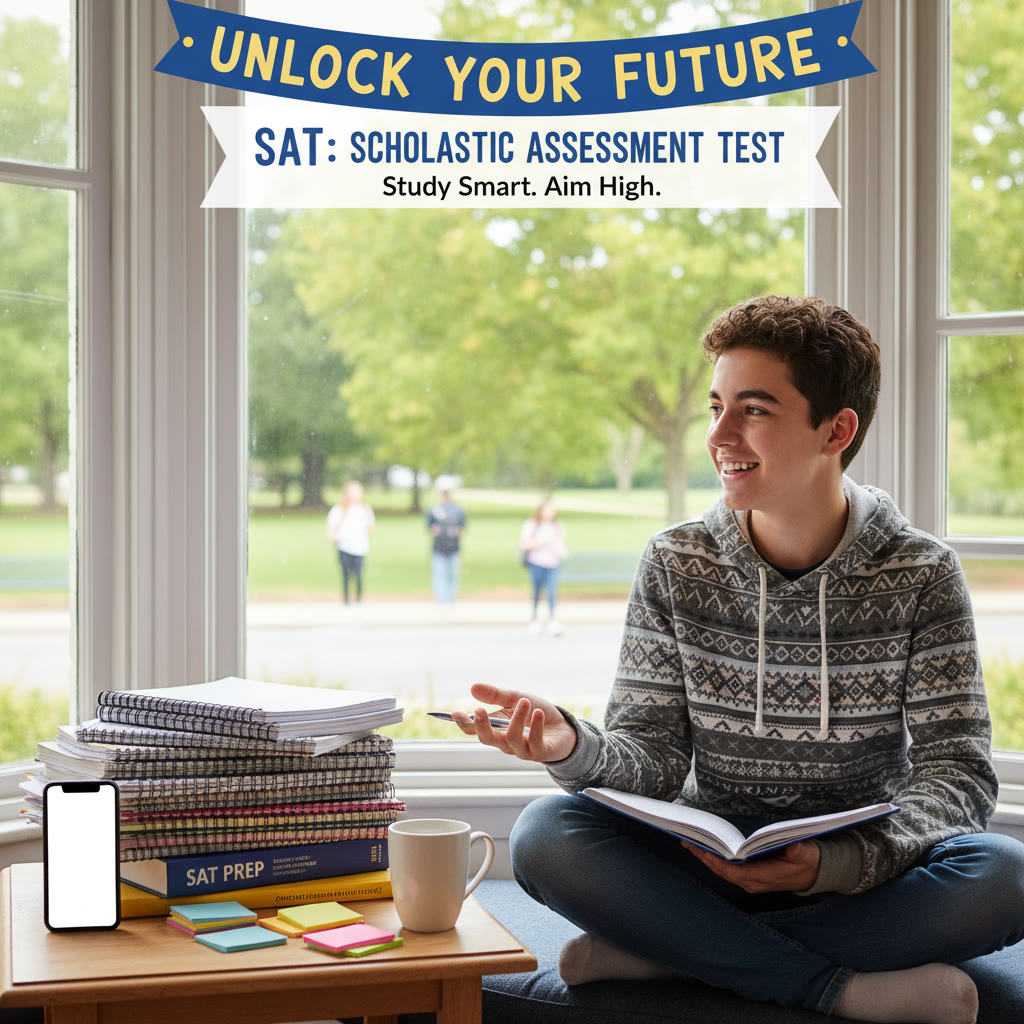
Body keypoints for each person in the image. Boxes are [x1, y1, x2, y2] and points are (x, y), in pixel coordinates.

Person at [451, 296, 1024, 1024]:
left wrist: (839, 863)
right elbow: (652, 758)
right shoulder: (673, 560)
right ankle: (832, 985)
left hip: (861, 877)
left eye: (752, 409)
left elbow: (958, 775)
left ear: (836, 430)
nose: (718, 434)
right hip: (701, 869)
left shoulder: (922, 573)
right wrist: (570, 742)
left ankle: (671, 952)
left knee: (1006, 876)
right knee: (544, 835)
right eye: (716, 406)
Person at [519, 499, 569, 635]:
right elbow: (525, 544)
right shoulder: (532, 525)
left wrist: (559, 548)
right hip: (536, 563)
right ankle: (534, 619)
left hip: (552, 563)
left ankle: (552, 619)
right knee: (536, 591)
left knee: (552, 591)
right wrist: (543, 542)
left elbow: (560, 543)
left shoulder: (557, 526)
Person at [325, 480, 375, 605]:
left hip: (360, 548)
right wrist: (337, 538)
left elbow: (370, 526)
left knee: (358, 574)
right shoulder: (339, 509)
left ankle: (358, 598)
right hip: (344, 547)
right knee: (346, 575)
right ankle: (346, 600)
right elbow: (331, 529)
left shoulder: (365, 509)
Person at [425, 486, 466, 605]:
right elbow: (430, 528)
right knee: (441, 576)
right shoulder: (434, 510)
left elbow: (462, 528)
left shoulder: (457, 510)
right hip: (440, 548)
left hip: (453, 547)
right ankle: (442, 600)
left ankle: (449, 600)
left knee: (451, 576)